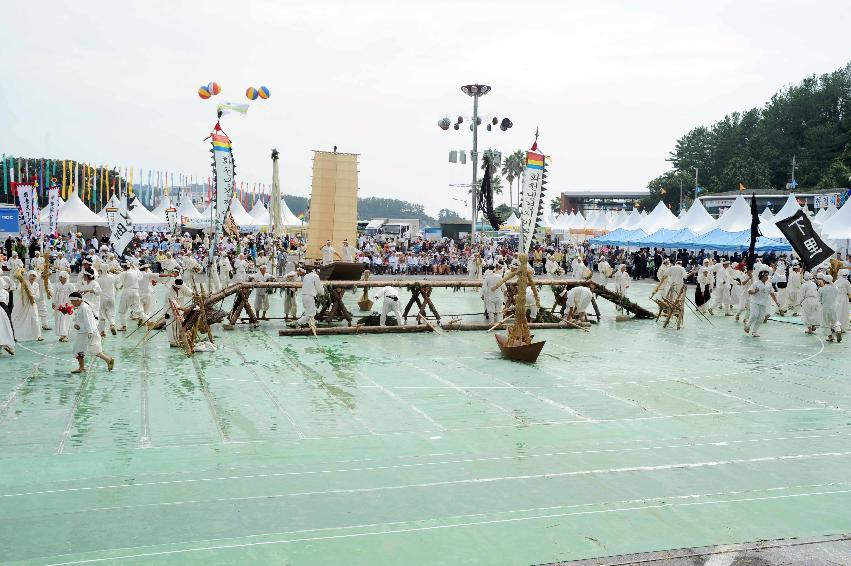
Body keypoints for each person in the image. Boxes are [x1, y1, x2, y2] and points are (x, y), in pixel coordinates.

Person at [69, 291, 115, 373]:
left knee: (78, 349)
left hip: (86, 333)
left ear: (78, 300)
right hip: (85, 332)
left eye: (72, 301)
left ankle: (82, 368)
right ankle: (108, 359)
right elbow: (81, 319)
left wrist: (90, 332)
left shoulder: (84, 308)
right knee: (93, 349)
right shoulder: (81, 307)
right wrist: (76, 325)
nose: (71, 303)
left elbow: (88, 320)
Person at [744, 270, 779, 338]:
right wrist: (754, 291)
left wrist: (776, 302)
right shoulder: (756, 283)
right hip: (755, 302)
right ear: (761, 276)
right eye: (765, 275)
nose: (767, 277)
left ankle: (754, 331)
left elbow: (772, 293)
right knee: (754, 315)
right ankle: (747, 325)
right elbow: (749, 291)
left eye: (767, 275)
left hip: (764, 303)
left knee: (761, 318)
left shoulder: (769, 284)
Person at [11, 270, 42, 341]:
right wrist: (24, 290)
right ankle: (15, 335)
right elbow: (18, 292)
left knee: (35, 319)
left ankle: (38, 335)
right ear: (28, 276)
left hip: (32, 303)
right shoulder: (23, 283)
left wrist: (31, 296)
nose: (32, 277)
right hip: (23, 303)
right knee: (18, 317)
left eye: (34, 276)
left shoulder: (36, 285)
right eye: (31, 275)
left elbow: (37, 296)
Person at [163, 278, 192, 347]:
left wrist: (194, 294)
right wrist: (185, 310)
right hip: (170, 313)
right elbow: (174, 304)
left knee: (180, 328)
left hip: (179, 313)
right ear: (174, 286)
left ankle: (179, 340)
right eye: (177, 288)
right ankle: (173, 343)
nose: (178, 289)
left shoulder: (181, 287)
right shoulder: (169, 292)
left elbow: (188, 292)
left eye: (179, 288)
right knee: (171, 329)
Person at [116, 263, 142, 330]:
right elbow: (140, 276)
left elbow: (118, 283)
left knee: (122, 310)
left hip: (127, 292)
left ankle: (124, 326)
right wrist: (134, 266)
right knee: (137, 309)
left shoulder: (123, 273)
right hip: (136, 292)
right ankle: (148, 321)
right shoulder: (135, 271)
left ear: (123, 267)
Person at [817, 274, 842, 343]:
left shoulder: (821, 289)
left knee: (826, 323)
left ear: (824, 280)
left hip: (825, 308)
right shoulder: (835, 288)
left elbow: (819, 299)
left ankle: (830, 336)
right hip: (833, 307)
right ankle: (838, 330)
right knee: (835, 321)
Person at [52, 271, 75, 342]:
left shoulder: (70, 285)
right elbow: (54, 294)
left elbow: (73, 294)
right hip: (58, 305)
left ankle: (66, 335)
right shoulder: (57, 285)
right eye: (59, 277)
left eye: (61, 277)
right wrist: (53, 303)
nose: (60, 278)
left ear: (65, 278)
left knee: (66, 320)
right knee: (59, 320)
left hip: (67, 305)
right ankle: (61, 334)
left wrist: (72, 304)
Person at [98, 266, 118, 337]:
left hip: (102, 298)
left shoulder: (99, 279)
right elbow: (117, 282)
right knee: (111, 313)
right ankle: (112, 324)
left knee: (102, 314)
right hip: (111, 298)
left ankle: (102, 331)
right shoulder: (112, 277)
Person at [0, 277, 15, 354]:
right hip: (3, 309)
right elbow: (8, 303)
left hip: (3, 308)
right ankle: (7, 344)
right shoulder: (5, 292)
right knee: (6, 327)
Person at [836, 269, 850, 335]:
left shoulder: (836, 281)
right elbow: (849, 291)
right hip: (844, 298)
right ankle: (841, 328)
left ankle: (835, 327)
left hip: (836, 298)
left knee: (837, 312)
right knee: (843, 313)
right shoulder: (847, 282)